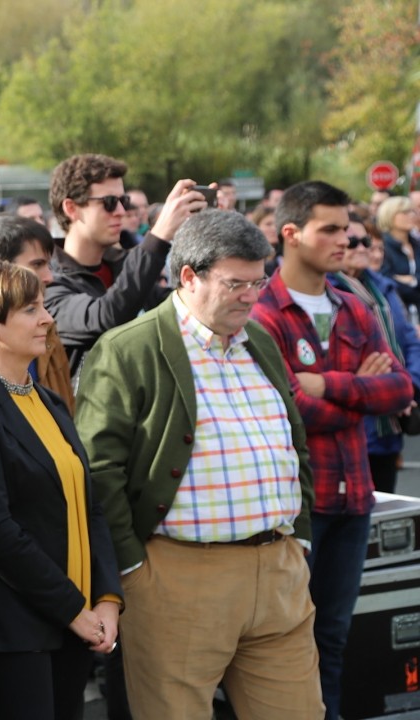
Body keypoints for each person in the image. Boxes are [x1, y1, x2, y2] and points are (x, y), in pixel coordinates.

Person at [75, 209, 323, 719]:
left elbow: (294, 443)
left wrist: (297, 537)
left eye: (259, 282)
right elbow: (98, 470)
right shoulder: (129, 348)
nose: (251, 296)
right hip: (178, 576)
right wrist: (134, 569)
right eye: (236, 284)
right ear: (188, 276)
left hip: (278, 572)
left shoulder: (259, 340)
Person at [251, 181, 413, 720]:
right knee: (286, 637)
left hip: (353, 499)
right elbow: (290, 410)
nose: (345, 240)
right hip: (298, 503)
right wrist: (360, 392)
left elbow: (400, 389)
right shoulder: (263, 311)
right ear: (291, 234)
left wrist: (330, 384)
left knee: (335, 636)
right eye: (331, 229)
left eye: (347, 228)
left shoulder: (353, 306)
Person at [0, 260, 121, 720]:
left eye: (44, 306)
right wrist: (74, 610)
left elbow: (90, 506)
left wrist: (107, 598)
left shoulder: (47, 399)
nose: (47, 318)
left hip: (75, 622)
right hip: (19, 629)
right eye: (30, 309)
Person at [44, 153, 208, 381]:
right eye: (109, 202)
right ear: (72, 208)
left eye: (124, 201)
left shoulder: (123, 265)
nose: (121, 211)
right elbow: (106, 318)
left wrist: (208, 235)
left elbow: (182, 308)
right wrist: (158, 236)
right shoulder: (46, 280)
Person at [329, 215, 420, 494]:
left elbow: (409, 341)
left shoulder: (383, 287)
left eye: (365, 241)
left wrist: (408, 388)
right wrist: (383, 391)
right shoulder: (327, 290)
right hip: (356, 421)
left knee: (387, 498)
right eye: (352, 242)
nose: (361, 248)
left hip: (392, 421)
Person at [0, 216, 75, 410]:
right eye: (37, 265)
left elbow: (66, 411)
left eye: (49, 265)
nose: (49, 277)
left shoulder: (47, 332)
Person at [375, 195, 420, 311]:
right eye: (405, 212)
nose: (412, 215)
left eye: (412, 211)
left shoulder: (416, 244)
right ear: (389, 215)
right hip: (396, 310)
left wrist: (413, 280)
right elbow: (385, 280)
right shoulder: (382, 246)